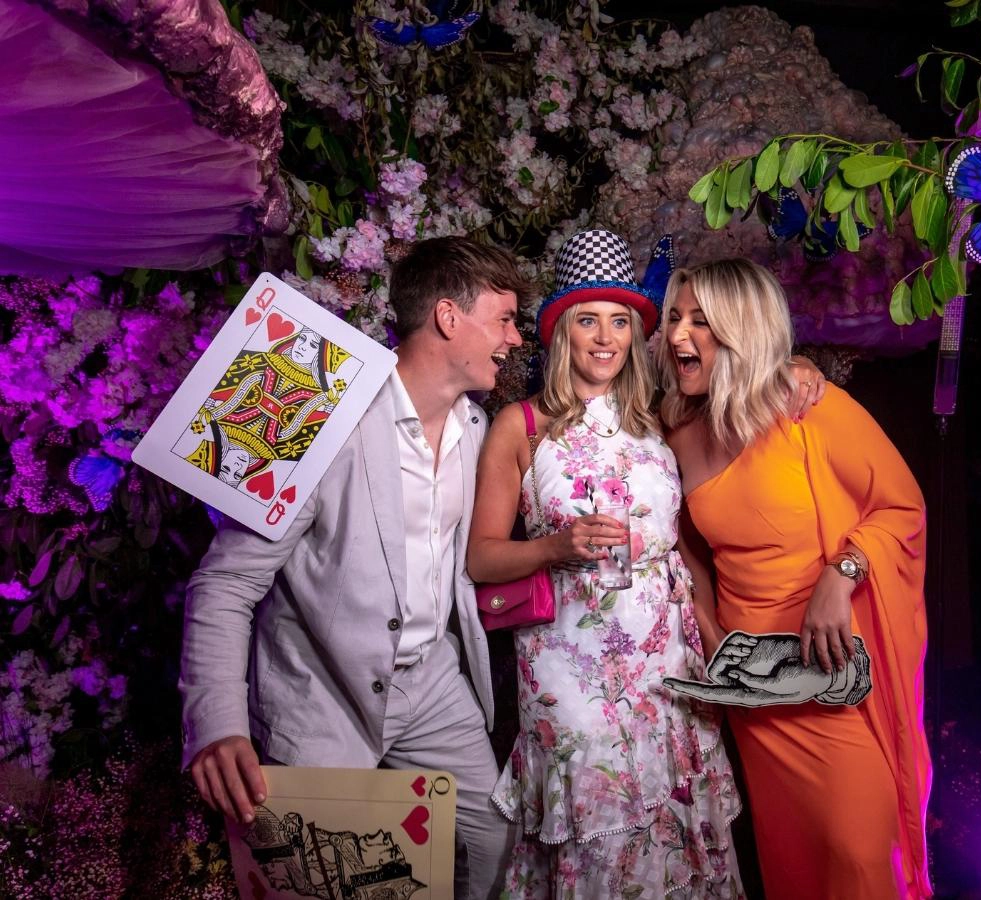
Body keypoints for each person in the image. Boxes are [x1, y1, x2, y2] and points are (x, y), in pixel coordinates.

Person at [179, 236, 531, 900]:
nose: (514, 337)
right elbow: (226, 582)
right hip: (320, 691)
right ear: (450, 318)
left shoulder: (479, 428)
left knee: (495, 832)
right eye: (504, 318)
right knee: (328, 882)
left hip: (430, 684)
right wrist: (219, 722)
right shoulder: (316, 417)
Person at [466, 229, 745, 899]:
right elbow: (480, 558)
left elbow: (683, 544)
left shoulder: (662, 421)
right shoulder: (522, 426)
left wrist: (714, 641)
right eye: (587, 319)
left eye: (620, 320)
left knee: (674, 832)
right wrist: (556, 547)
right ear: (561, 331)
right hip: (570, 673)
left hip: (668, 671)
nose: (605, 336)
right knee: (595, 830)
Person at [657, 258, 932, 899]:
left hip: (831, 673)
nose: (677, 336)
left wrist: (840, 577)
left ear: (742, 328)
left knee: (860, 851)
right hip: (757, 688)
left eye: (701, 321)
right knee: (794, 860)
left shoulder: (806, 406)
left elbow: (902, 505)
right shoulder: (675, 430)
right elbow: (690, 550)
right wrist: (715, 639)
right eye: (674, 318)